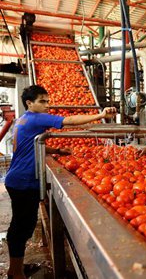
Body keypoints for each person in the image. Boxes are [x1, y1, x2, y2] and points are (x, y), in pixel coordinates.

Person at [5, 85, 116, 279]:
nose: (47, 105)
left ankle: (18, 267)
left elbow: (33, 145)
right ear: (29, 103)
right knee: (20, 227)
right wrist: (100, 116)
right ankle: (15, 272)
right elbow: (69, 121)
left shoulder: (23, 120)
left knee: (23, 225)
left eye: (48, 101)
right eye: (42, 101)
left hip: (17, 178)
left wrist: (57, 151)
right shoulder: (36, 118)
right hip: (23, 181)